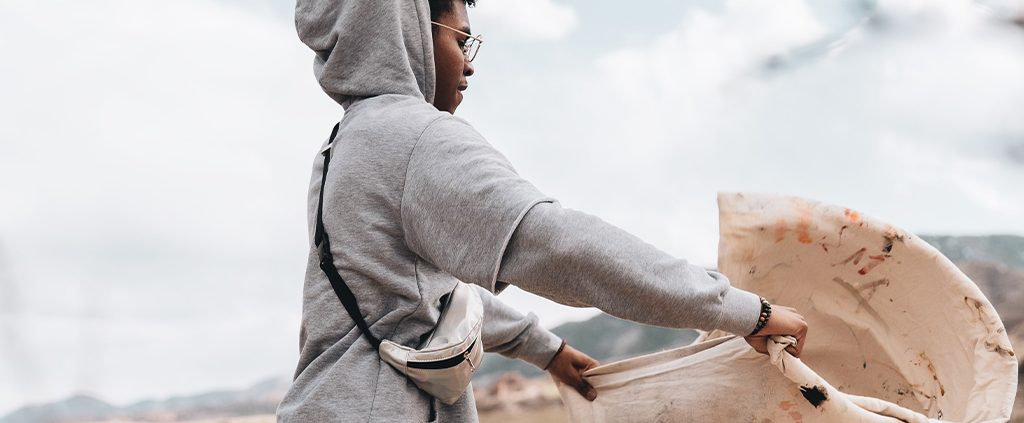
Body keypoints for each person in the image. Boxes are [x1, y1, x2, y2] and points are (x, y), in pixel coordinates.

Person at [277, 0, 809, 421]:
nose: (468, 65)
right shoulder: (414, 138)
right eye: (461, 40)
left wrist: (544, 349)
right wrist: (748, 312)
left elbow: (419, 299)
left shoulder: (343, 147)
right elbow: (558, 247)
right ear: (410, 26)